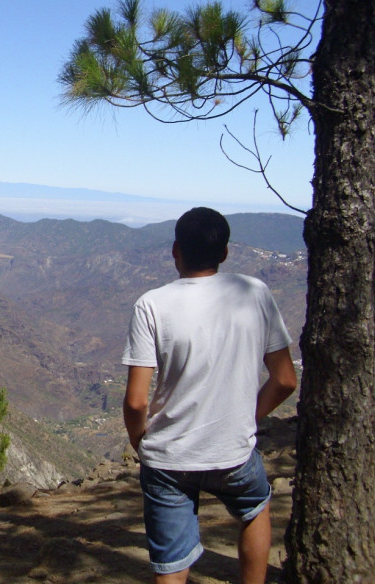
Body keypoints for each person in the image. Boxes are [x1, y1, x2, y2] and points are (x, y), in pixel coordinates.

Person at [122, 207, 297, 584]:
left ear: (175, 251)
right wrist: (246, 418)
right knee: (254, 508)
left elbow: (136, 401)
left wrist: (141, 443)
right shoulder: (255, 293)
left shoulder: (151, 304)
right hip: (232, 452)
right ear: (225, 252)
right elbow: (284, 380)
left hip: (169, 457)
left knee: (171, 561)